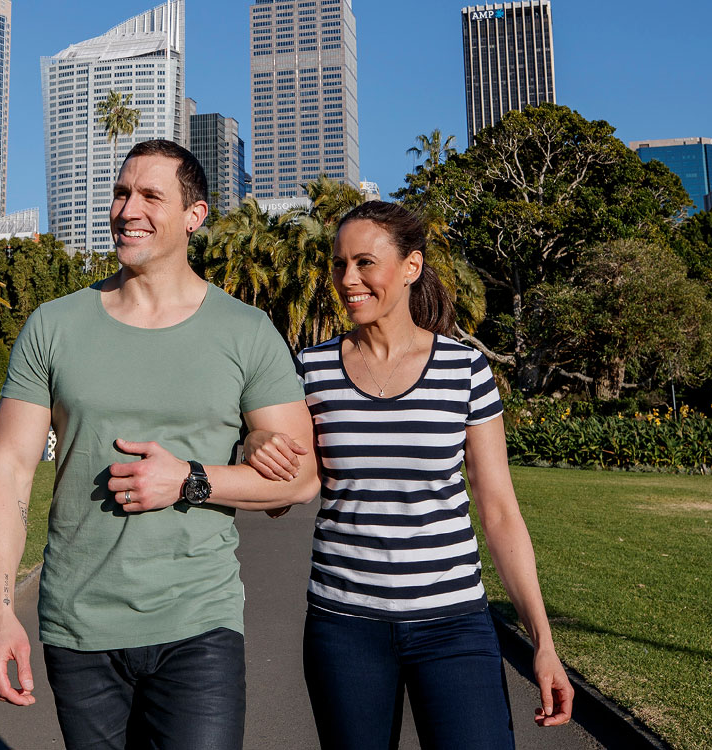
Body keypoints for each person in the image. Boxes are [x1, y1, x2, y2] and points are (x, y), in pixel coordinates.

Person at [0, 138, 320, 750]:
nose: (128, 208)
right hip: (78, 625)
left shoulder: (246, 331)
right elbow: (9, 470)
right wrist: (0, 612)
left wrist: (190, 479)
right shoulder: (54, 325)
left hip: (199, 621)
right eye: (120, 192)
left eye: (150, 195)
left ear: (195, 215)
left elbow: (301, 477)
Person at [239, 201, 574, 749]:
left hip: (454, 624)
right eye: (339, 264)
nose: (348, 279)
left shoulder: (464, 369)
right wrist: (256, 442)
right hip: (343, 628)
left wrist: (542, 640)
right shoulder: (311, 370)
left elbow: (499, 511)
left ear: (411, 267)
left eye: (365, 262)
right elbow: (283, 495)